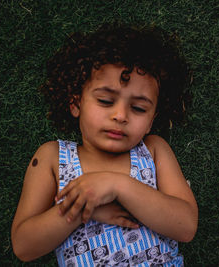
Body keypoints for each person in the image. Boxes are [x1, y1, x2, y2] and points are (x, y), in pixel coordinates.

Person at [11, 23, 198, 266]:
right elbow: (24, 246)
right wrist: (82, 211)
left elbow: (185, 227)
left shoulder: (153, 150)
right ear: (76, 102)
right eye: (105, 101)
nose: (121, 115)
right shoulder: (52, 158)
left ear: (151, 120)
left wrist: (117, 185)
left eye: (139, 108)